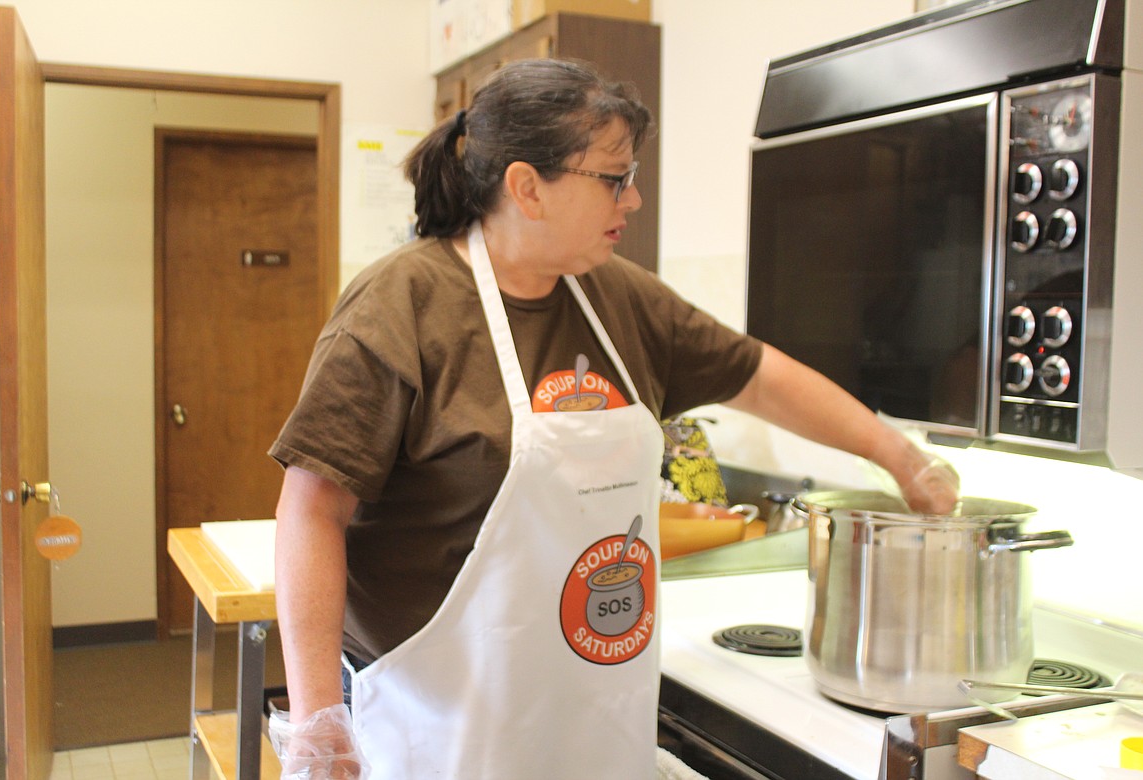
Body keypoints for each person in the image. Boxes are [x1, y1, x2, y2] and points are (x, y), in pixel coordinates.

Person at [268, 58, 959, 779]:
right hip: (436, 709)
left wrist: (901, 457)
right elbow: (311, 510)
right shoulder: (399, 304)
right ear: (527, 187)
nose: (632, 199)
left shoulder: (618, 298)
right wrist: (320, 722)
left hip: (587, 696)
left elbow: (760, 378)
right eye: (614, 177)